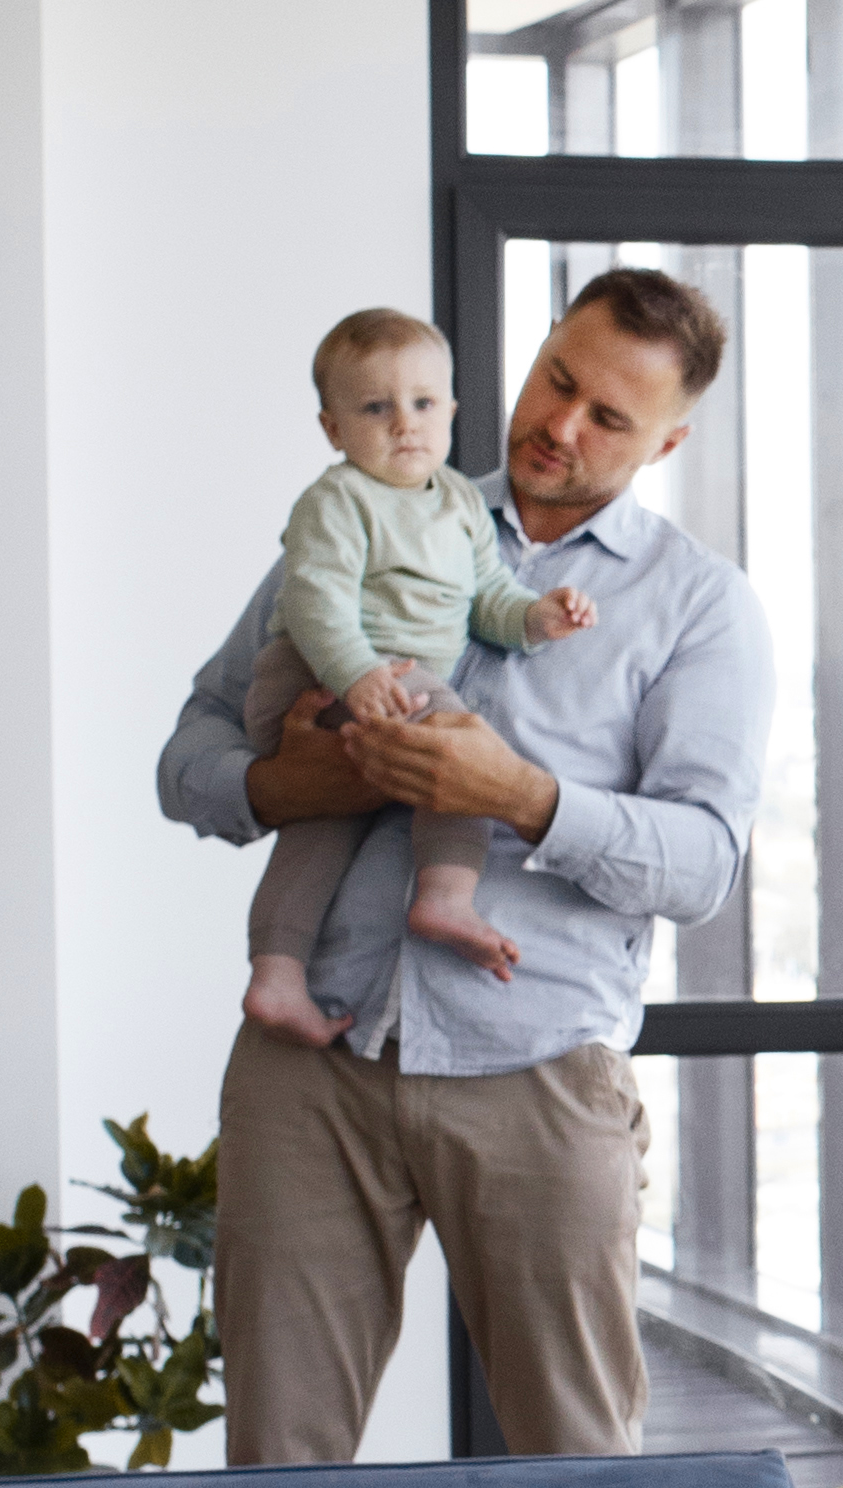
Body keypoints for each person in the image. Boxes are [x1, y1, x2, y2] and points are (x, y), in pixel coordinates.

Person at [154, 268, 775, 1463]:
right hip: (312, 1055)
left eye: (609, 418)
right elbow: (190, 750)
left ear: (671, 438)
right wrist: (288, 787)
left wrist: (525, 801)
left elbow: (702, 865)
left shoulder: (701, 608)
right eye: (558, 381)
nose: (559, 425)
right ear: (537, 347)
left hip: (535, 1063)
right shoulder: (369, 506)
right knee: (276, 1475)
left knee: (581, 1466)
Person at [240, 306, 595, 1041]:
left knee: (321, 831)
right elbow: (315, 600)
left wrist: (536, 619)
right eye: (375, 407)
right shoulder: (338, 500)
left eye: (423, 404)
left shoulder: (461, 503)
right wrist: (356, 673)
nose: (404, 423)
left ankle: (275, 979)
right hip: (324, 674)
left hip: (376, 681)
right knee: (460, 743)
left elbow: (488, 601)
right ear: (333, 429)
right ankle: (445, 896)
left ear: (452, 412)